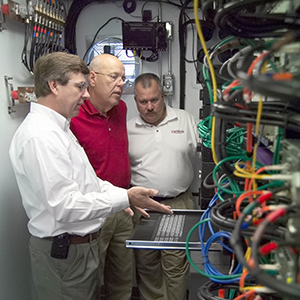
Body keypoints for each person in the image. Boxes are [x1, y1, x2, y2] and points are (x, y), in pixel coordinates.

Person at [9, 52, 173, 300]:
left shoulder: (59, 128)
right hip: (64, 253)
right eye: (79, 87)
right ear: (54, 85)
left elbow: (89, 181)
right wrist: (125, 198)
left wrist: (125, 196)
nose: (85, 95)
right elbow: (65, 206)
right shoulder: (40, 137)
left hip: (78, 248)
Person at [127, 73, 199, 300]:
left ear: (163, 95)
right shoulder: (128, 129)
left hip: (179, 203)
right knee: (146, 265)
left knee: (176, 265)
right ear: (135, 100)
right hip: (143, 207)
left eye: (154, 100)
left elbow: (208, 148)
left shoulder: (185, 119)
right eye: (143, 101)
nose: (149, 107)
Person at [70, 53, 133, 300]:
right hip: (94, 210)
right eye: (114, 77)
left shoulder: (122, 109)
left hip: (124, 206)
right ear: (92, 79)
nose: (121, 84)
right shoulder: (74, 117)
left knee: (122, 277)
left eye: (123, 78)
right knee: (92, 281)